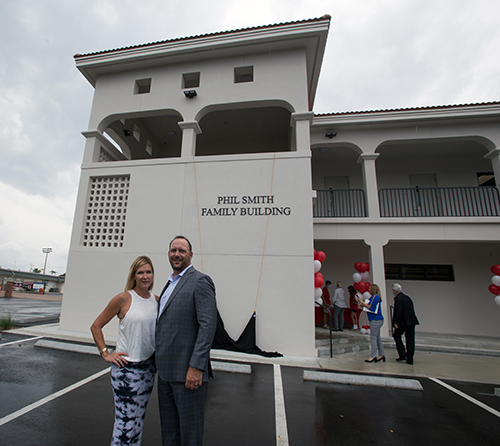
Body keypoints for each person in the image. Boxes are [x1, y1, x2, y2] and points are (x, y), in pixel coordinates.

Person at [156, 236, 217, 446]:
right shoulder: (169, 283)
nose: (177, 254)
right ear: (168, 253)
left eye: (182, 250)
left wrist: (196, 367)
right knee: (169, 432)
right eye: (173, 250)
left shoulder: (200, 281)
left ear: (190, 255)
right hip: (165, 374)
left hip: (188, 375)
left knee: (190, 435)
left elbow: (208, 326)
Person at [90, 256, 158, 446]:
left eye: (148, 272)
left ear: (153, 274)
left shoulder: (156, 300)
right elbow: (96, 326)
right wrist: (106, 353)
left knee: (138, 421)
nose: (145, 276)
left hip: (148, 369)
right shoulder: (124, 298)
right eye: (140, 272)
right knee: (125, 425)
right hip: (126, 370)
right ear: (134, 275)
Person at [392, 283, 420, 365]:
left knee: (396, 335)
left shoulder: (397, 299)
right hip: (411, 321)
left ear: (395, 291)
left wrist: (395, 322)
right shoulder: (407, 298)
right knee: (410, 340)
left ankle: (402, 354)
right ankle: (410, 358)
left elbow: (398, 311)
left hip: (403, 322)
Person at [357, 283, 385, 363]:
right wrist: (363, 304)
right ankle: (381, 354)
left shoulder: (375, 297)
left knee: (373, 337)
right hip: (376, 319)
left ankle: (373, 356)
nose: (368, 290)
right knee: (377, 337)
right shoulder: (374, 297)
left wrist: (361, 301)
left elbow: (371, 308)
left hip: (375, 319)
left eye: (370, 289)